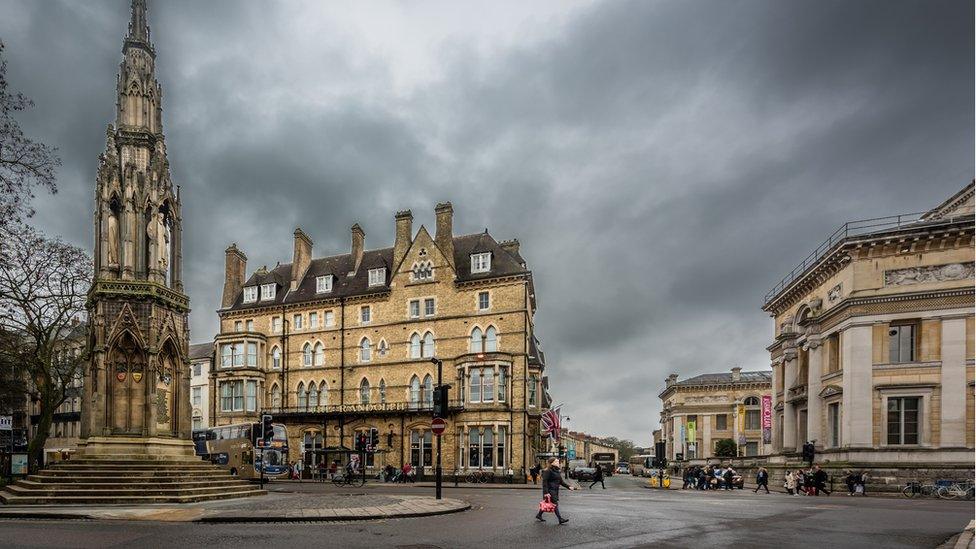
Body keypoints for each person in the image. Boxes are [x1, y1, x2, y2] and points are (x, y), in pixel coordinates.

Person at [536, 458, 576, 525]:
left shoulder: (557, 471)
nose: (558, 462)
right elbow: (544, 483)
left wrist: (569, 487)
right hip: (550, 491)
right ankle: (560, 519)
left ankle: (539, 515)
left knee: (548, 504)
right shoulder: (548, 471)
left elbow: (561, 482)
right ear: (552, 463)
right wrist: (546, 493)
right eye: (556, 461)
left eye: (558, 461)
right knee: (555, 504)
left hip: (555, 490)